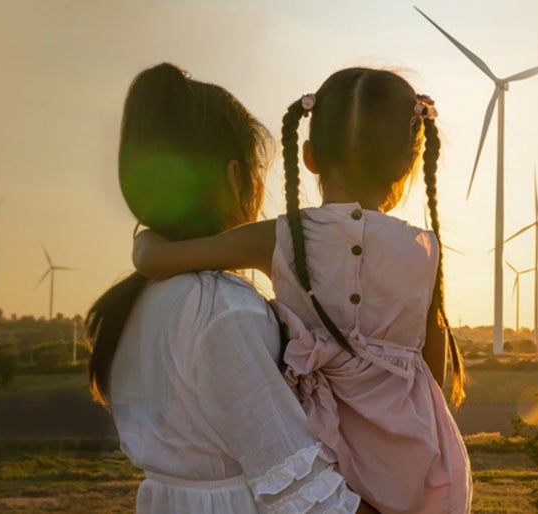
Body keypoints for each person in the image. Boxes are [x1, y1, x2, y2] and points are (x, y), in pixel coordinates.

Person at [133, 67, 472, 513]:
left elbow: (156, 262)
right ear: (410, 159)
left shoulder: (286, 236)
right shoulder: (423, 249)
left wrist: (146, 237)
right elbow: (434, 366)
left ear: (309, 156)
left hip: (321, 443)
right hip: (412, 453)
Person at [87, 63, 364, 514]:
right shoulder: (222, 310)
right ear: (235, 175)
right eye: (257, 170)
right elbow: (301, 489)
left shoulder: (136, 303)